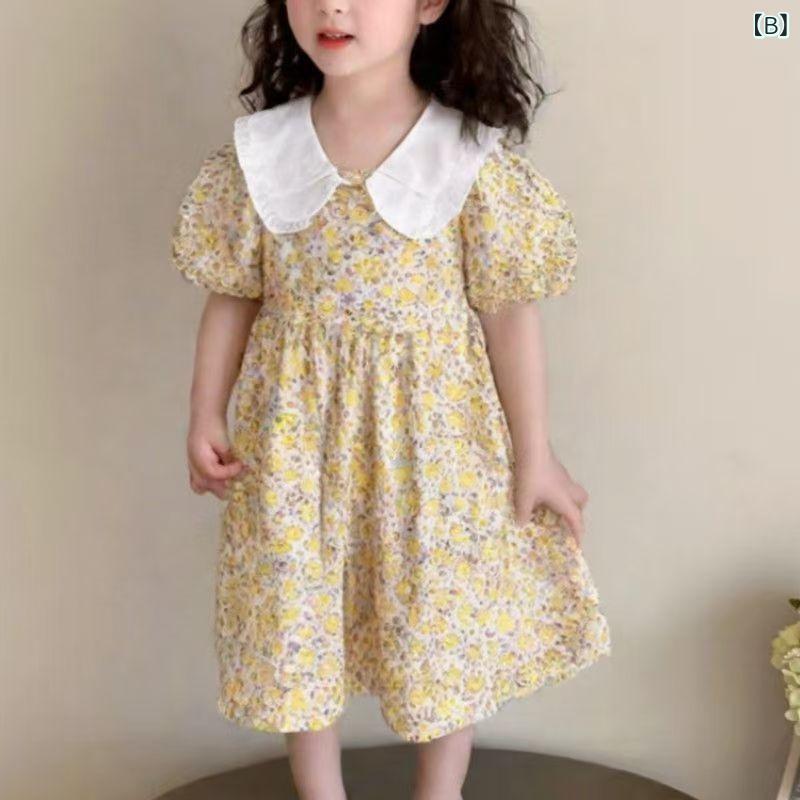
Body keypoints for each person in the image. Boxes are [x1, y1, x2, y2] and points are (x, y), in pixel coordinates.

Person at [170, 0, 612, 797]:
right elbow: (234, 293)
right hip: (295, 448)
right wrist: (205, 412)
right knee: (297, 612)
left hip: (431, 448)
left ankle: (438, 792)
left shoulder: (464, 158)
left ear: (429, 5)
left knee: (436, 614)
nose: (333, 6)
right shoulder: (264, 155)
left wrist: (536, 453)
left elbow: (508, 313)